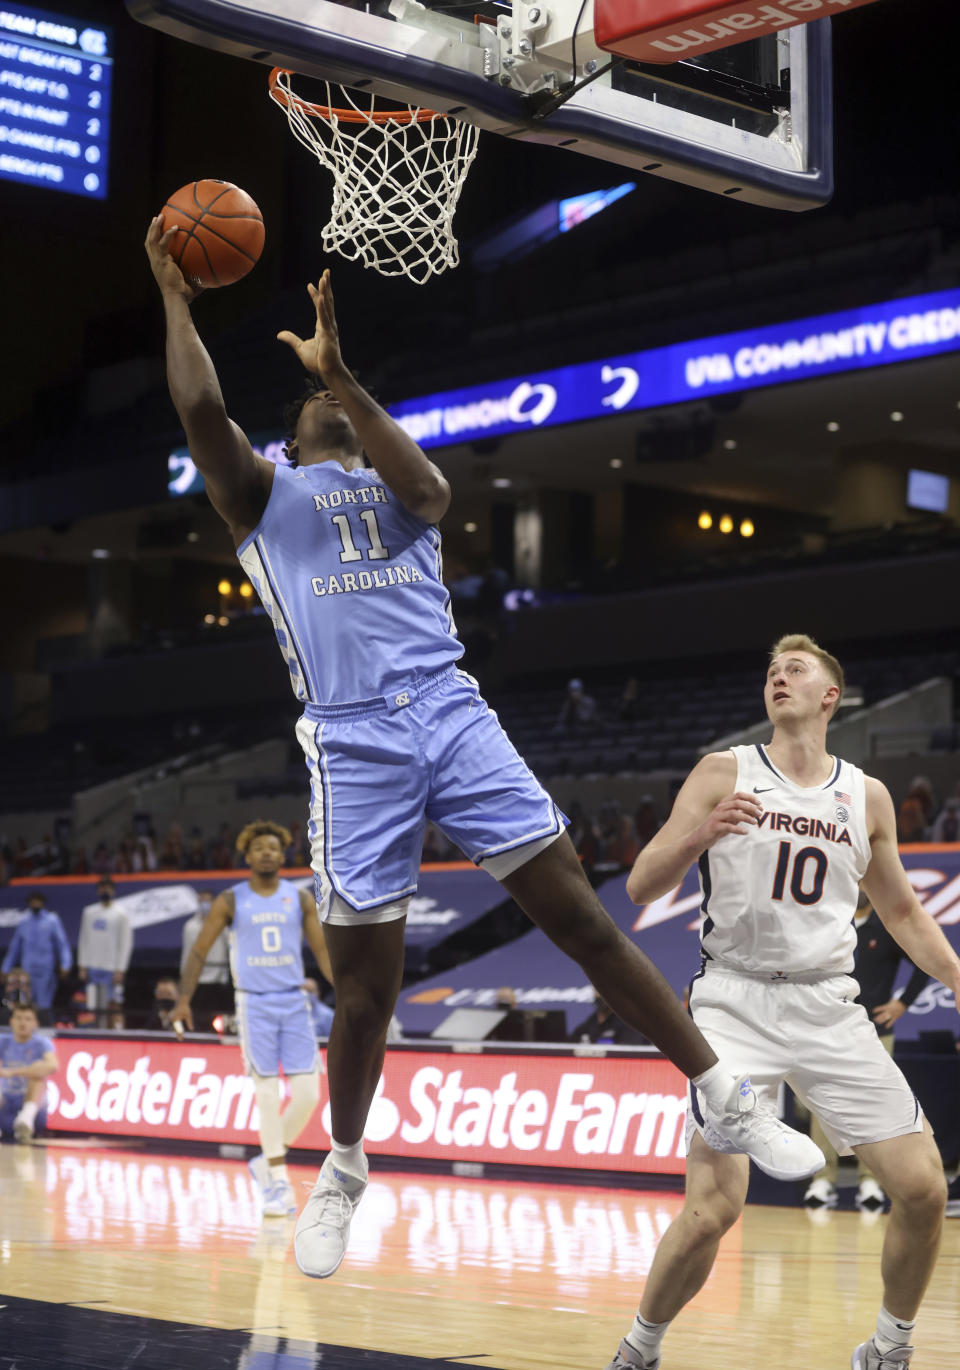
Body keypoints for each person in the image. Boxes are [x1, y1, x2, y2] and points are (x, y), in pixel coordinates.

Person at [145, 221, 825, 1283]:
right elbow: (198, 407)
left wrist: (345, 373)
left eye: (343, 401)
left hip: (453, 713)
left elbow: (433, 493)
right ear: (291, 432)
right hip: (355, 736)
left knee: (584, 921)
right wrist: (176, 297)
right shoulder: (264, 495)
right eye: (316, 399)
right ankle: (347, 1162)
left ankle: (720, 1089)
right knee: (367, 986)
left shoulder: (396, 487)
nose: (328, 402)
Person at [602, 634, 960, 1370]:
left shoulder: (866, 796)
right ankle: (639, 1350)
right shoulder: (723, 771)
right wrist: (701, 833)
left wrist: (958, 977)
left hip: (828, 1003)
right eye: (771, 671)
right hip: (733, 1002)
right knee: (713, 1211)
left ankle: (887, 1349)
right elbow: (640, 885)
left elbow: (902, 914)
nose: (778, 677)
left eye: (795, 669)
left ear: (831, 695)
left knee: (923, 1188)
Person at [172, 820, 332, 1219]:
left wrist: (348, 991)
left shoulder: (300, 899)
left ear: (283, 855)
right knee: (267, 1095)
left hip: (294, 1002)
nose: (266, 852)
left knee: (310, 1095)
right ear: (246, 855)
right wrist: (183, 1000)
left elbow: (324, 953)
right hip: (254, 1004)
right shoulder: (230, 900)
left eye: (273, 847)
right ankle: (277, 1183)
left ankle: (265, 1160)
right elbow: (198, 952)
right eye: (259, 847)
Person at [804, 889, 929, 1212]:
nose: (859, 889)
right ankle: (822, 1178)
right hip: (831, 1028)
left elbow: (922, 961)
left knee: (876, 1106)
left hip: (876, 1028)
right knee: (824, 1100)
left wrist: (902, 1004)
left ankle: (871, 1180)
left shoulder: (886, 926)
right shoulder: (832, 922)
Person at [1, 890, 72, 1025]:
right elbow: (14, 948)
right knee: (24, 1005)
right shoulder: (24, 922)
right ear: (29, 903)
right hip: (26, 974)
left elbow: (62, 944)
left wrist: (65, 964)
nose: (35, 903)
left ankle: (46, 1030)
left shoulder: (52, 920)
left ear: (43, 903)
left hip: (46, 972)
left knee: (44, 1005)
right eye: (32, 901)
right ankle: (24, 1031)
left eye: (37, 901)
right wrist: (5, 968)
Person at [78, 877, 133, 1026]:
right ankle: (95, 1033)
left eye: (108, 888)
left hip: (111, 968)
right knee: (93, 1005)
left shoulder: (121, 914)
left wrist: (120, 969)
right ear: (98, 891)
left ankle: (116, 1033)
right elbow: (84, 939)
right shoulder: (89, 912)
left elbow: (126, 943)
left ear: (113, 891)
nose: (105, 891)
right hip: (93, 966)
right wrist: (82, 965)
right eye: (102, 888)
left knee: (113, 1005)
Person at [0, 1002, 58, 1142]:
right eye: (19, 1018)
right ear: (11, 1021)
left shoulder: (42, 1043)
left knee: (39, 1070)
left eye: (27, 1019)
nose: (22, 1023)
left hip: (32, 1111)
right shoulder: (3, 1041)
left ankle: (25, 1119)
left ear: (35, 1024)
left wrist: (13, 1072)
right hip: (5, 1105)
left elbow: (53, 1066)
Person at [181, 889, 232, 1031]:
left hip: (218, 978)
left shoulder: (223, 924)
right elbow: (187, 954)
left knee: (217, 1015)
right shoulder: (190, 926)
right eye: (201, 900)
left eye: (207, 900)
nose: (204, 903)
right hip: (197, 980)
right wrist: (184, 977)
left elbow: (230, 947)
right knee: (198, 1016)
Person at [572, 992, 648, 1046]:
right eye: (597, 990)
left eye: (604, 990)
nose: (600, 995)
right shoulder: (590, 1022)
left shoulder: (627, 1022)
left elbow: (630, 1051)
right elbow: (567, 1046)